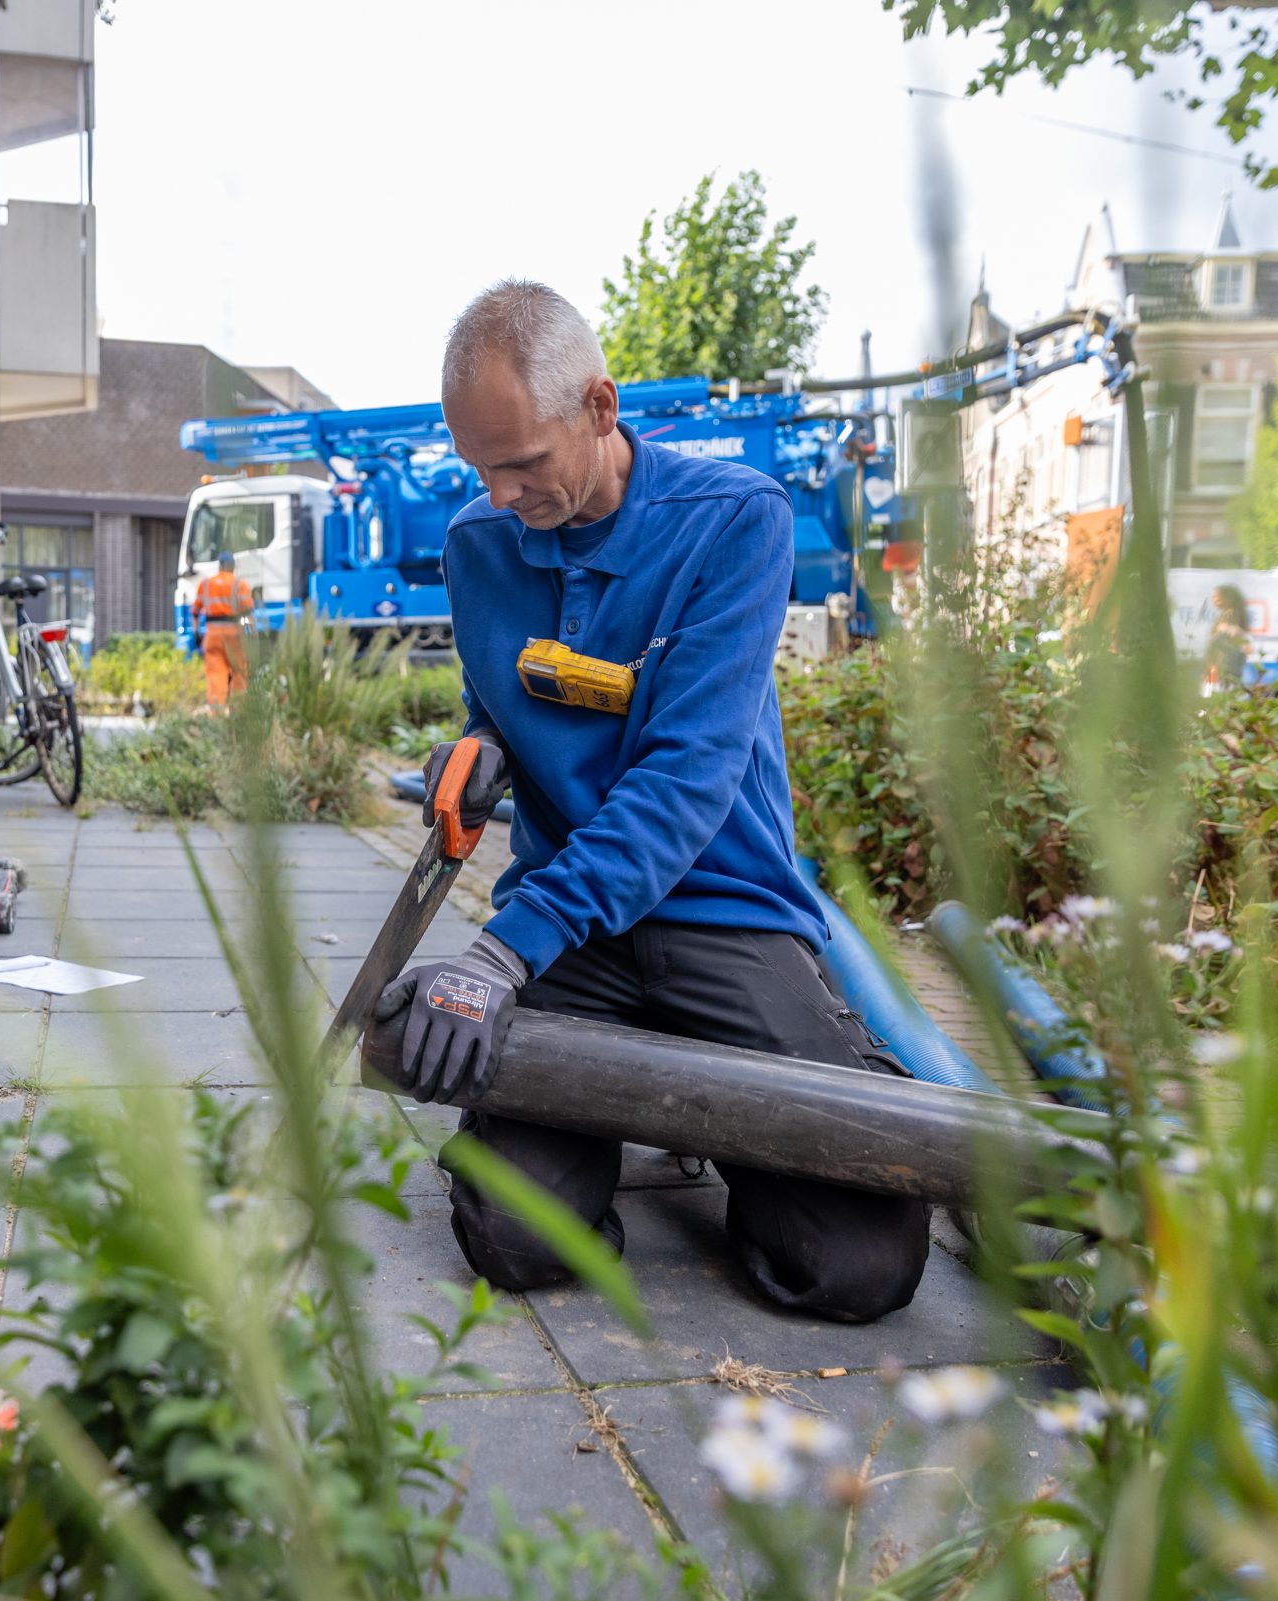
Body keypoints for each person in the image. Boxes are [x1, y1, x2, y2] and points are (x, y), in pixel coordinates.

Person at [375, 280, 929, 1324]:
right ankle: (633, 1124)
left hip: (722, 907)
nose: (500, 493)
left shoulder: (736, 522)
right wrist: (480, 746)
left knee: (856, 1263)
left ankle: (741, 1116)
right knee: (517, 1237)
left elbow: (683, 784)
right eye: (479, 467)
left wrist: (500, 954)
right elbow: (499, 696)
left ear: (600, 406)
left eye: (522, 463)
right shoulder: (477, 543)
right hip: (574, 935)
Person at [195, 553, 254, 708]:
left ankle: (217, 716)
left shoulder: (205, 584)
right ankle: (238, 712)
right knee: (239, 673)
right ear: (233, 567)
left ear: (220, 566)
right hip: (234, 635)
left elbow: (195, 613)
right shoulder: (240, 584)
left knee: (216, 676)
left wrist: (197, 635)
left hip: (213, 635)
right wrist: (252, 635)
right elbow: (247, 613)